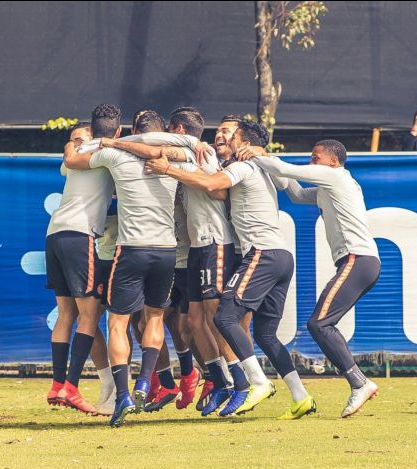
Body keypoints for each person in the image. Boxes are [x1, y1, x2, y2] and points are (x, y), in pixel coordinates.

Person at [143, 120, 316, 420]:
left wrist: (166, 169)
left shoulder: (241, 166)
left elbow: (214, 186)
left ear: (243, 141)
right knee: (260, 333)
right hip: (270, 253)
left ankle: (251, 381)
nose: (224, 137)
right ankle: (300, 396)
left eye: (230, 134)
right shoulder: (258, 165)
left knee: (224, 316)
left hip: (254, 251)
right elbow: (297, 192)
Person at [63, 110, 203, 427]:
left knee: (118, 323)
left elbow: (76, 160)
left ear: (131, 132)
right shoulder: (178, 158)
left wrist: (76, 143)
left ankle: (123, 394)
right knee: (154, 318)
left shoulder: (114, 153)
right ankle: (145, 381)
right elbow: (190, 149)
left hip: (132, 250)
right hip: (167, 251)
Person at [242, 140, 381, 418]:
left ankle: (359, 383)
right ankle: (358, 382)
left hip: (357, 259)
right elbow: (295, 194)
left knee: (319, 323)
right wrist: (271, 168)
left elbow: (286, 168)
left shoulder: (335, 176)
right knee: (322, 324)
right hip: (359, 261)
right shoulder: (329, 186)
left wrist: (259, 155)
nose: (311, 161)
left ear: (333, 161)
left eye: (315, 157)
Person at [46, 107, 117, 415]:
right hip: (79, 235)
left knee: (66, 314)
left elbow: (69, 157)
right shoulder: (105, 152)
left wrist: (72, 143)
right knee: (90, 315)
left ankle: (57, 385)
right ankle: (72, 388)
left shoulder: (73, 156)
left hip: (54, 235)